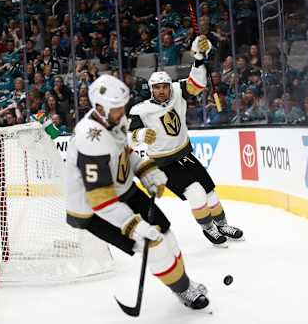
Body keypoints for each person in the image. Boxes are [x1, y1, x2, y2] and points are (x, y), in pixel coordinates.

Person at [65, 74, 210, 310]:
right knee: (155, 246)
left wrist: (146, 170)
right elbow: (99, 198)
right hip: (93, 211)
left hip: (124, 191)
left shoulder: (114, 120)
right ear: (99, 108)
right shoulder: (90, 139)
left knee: (167, 236)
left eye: (122, 106)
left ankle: (183, 283)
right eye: (116, 108)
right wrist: (132, 224)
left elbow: (127, 151)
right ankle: (183, 289)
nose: (122, 112)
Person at [128, 36, 244, 247]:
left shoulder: (178, 91)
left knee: (210, 191)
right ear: (151, 89)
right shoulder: (140, 110)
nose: (162, 90)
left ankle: (222, 224)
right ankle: (208, 228)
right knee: (196, 193)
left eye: (164, 86)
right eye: (157, 88)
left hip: (184, 155)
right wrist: (141, 135)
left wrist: (198, 59)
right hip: (163, 164)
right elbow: (128, 136)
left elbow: (197, 84)